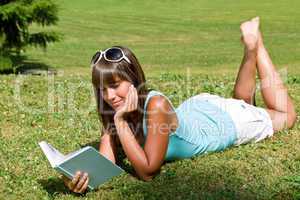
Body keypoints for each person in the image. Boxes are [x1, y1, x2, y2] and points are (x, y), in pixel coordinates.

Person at [63, 17, 297, 193]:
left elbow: (147, 172)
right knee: (242, 103)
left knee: (285, 116)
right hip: (198, 110)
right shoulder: (114, 110)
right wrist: (80, 178)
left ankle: (257, 47)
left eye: (115, 85)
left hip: (225, 124)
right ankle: (251, 49)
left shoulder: (155, 106)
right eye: (102, 89)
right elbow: (105, 164)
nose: (109, 96)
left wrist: (121, 122)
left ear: (134, 79)